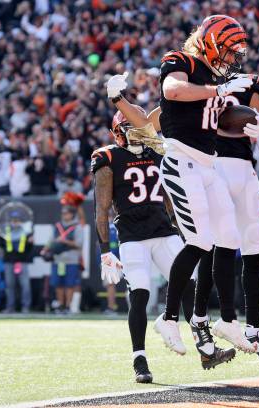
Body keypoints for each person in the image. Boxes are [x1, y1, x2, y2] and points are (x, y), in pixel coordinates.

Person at [149, 15, 257, 356]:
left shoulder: (214, 78)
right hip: (182, 161)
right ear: (211, 44)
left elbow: (219, 115)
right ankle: (167, 318)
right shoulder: (179, 61)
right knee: (199, 241)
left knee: (229, 238)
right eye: (229, 51)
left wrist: (249, 121)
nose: (233, 59)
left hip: (209, 164)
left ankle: (227, 320)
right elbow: (172, 91)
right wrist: (219, 90)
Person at [92, 108, 219, 382]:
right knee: (140, 293)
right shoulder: (108, 157)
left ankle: (204, 346)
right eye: (132, 127)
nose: (139, 131)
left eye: (141, 127)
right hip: (132, 237)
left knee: (191, 284)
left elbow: (170, 196)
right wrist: (105, 251)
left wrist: (186, 228)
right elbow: (101, 208)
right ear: (119, 132)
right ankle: (139, 359)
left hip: (164, 231)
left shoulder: (157, 152)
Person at [43, 206, 83, 314]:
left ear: (72, 214)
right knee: (58, 284)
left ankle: (68, 306)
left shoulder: (77, 227)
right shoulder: (57, 226)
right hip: (58, 260)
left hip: (71, 260)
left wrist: (65, 241)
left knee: (70, 284)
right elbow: (51, 241)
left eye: (67, 213)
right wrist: (45, 250)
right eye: (63, 213)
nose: (64, 215)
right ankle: (60, 305)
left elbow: (79, 244)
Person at [0, 212, 34, 313]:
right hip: (9, 261)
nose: (15, 222)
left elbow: (30, 248)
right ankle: (10, 306)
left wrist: (31, 242)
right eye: (13, 220)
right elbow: (1, 244)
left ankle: (25, 306)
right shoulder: (5, 231)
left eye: (17, 220)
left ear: (21, 221)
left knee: (25, 284)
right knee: (9, 285)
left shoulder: (26, 231)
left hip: (22, 261)